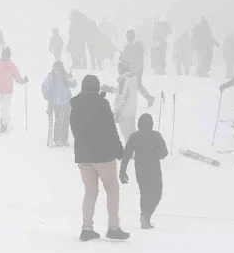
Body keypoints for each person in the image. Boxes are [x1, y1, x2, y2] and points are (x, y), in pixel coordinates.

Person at [70, 75, 130, 241]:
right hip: (103, 156)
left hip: (83, 157)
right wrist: (119, 151)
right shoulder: (102, 104)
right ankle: (113, 227)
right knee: (111, 189)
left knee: (90, 192)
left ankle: (87, 228)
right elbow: (110, 129)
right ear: (97, 88)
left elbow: (77, 128)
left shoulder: (75, 105)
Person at [119, 113, 168, 229]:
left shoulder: (134, 137)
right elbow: (164, 152)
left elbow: (126, 155)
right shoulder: (156, 136)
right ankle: (146, 216)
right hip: (154, 169)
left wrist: (122, 171)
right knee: (157, 193)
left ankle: (145, 217)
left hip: (140, 169)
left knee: (144, 193)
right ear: (151, 124)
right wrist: (158, 155)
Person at [0, 47, 27, 133]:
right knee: (5, 108)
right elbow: (17, 78)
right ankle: (4, 125)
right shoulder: (12, 65)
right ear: (9, 55)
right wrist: (23, 80)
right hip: (7, 91)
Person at [41, 61, 76, 146]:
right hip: (56, 102)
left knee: (66, 121)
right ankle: (57, 139)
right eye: (56, 68)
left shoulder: (66, 76)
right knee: (58, 120)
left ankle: (65, 138)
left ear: (61, 69)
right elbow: (43, 85)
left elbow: (73, 85)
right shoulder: (51, 77)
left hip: (67, 101)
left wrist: (71, 78)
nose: (57, 70)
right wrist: (47, 91)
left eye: (59, 68)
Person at [120, 30, 155, 107]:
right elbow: (126, 57)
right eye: (127, 36)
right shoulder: (129, 45)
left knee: (135, 84)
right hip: (132, 67)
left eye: (129, 36)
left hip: (137, 68)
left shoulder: (137, 44)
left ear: (132, 36)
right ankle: (149, 98)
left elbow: (138, 56)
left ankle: (149, 98)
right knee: (134, 84)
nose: (128, 38)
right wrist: (123, 56)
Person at [112, 62, 138, 141]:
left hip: (124, 113)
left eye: (118, 68)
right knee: (133, 135)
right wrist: (111, 89)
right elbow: (127, 92)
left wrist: (117, 111)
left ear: (121, 69)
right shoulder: (133, 78)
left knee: (127, 137)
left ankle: (132, 153)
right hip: (132, 111)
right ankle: (139, 152)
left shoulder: (123, 79)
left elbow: (121, 96)